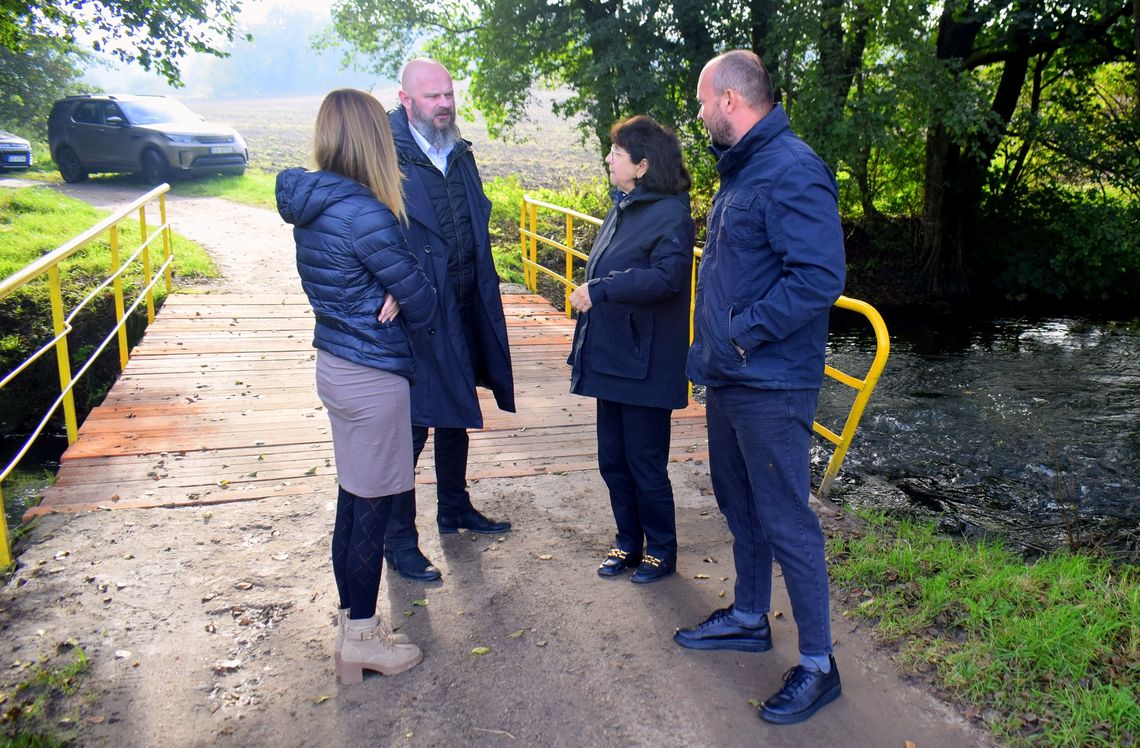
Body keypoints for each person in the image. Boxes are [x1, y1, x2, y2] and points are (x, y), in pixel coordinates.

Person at [674, 50, 847, 725]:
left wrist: (742, 333)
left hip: (771, 381)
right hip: (733, 376)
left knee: (786, 519)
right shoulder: (743, 169)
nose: (697, 113)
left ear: (730, 100)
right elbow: (731, 270)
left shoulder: (792, 169)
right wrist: (710, 354)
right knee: (739, 503)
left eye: (701, 101)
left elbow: (817, 278)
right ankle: (750, 614)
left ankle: (818, 665)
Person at [276, 89, 438, 683]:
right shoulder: (364, 211)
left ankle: (352, 626)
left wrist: (390, 288)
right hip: (372, 374)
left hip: (337, 365)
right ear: (372, 140)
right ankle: (364, 638)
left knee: (353, 496)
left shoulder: (314, 205)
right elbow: (423, 301)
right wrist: (407, 288)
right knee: (373, 505)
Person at [382, 58, 516, 582]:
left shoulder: (458, 152)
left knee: (457, 408)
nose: (444, 104)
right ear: (405, 98)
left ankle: (454, 507)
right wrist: (387, 287)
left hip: (461, 302)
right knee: (410, 428)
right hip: (413, 313)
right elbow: (373, 231)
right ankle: (399, 540)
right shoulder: (386, 155)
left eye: (448, 94)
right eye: (432, 96)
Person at [567, 116, 694, 584]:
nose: (608, 159)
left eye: (616, 154)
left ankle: (661, 549)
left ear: (641, 165)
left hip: (646, 363)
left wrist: (600, 289)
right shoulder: (623, 207)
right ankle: (627, 542)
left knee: (645, 463)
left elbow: (668, 278)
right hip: (612, 356)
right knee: (613, 461)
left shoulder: (671, 213)